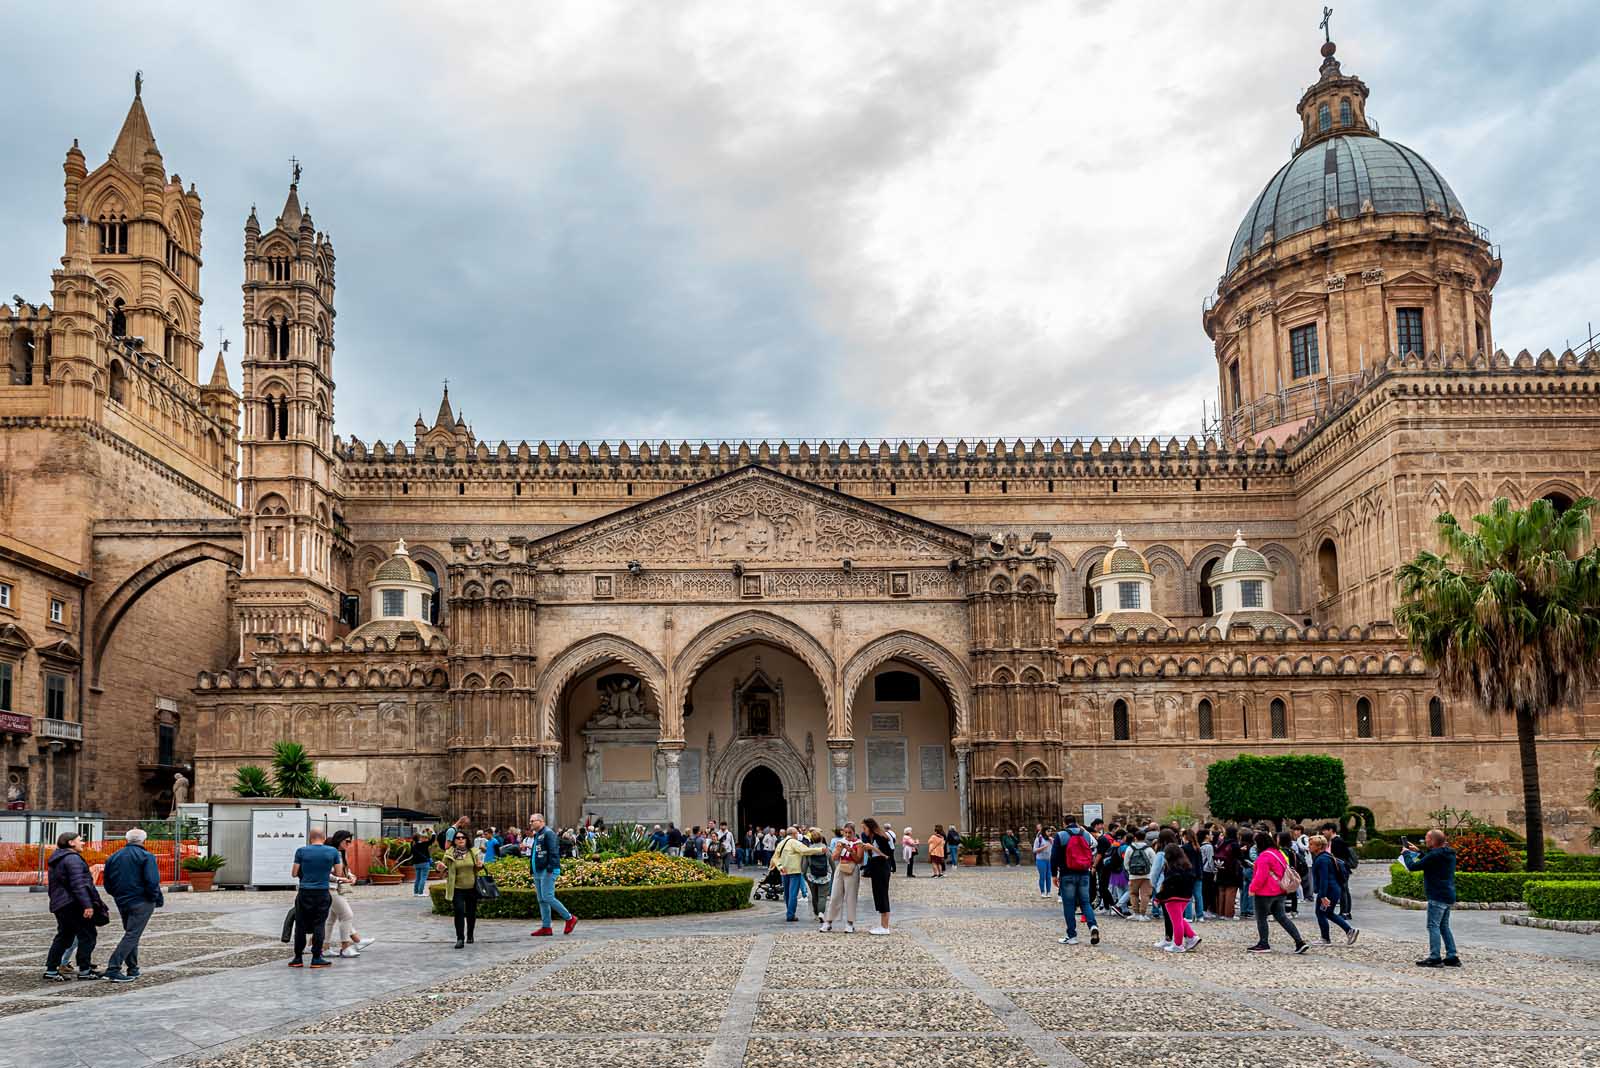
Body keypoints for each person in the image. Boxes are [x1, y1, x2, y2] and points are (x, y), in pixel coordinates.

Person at [102, 828, 164, 982]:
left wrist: (117, 895)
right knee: (132, 934)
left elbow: (107, 882)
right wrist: (154, 897)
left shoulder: (113, 857)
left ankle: (133, 968)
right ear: (144, 841)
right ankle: (113, 968)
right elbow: (152, 881)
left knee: (131, 933)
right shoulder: (146, 856)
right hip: (141, 900)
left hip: (122, 900)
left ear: (127, 840)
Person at [44, 832, 105, 982]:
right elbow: (78, 884)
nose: (83, 843)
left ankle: (51, 970)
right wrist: (87, 905)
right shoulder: (72, 859)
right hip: (73, 903)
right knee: (88, 935)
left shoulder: (58, 858)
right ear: (71, 843)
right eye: (80, 840)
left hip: (61, 903)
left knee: (64, 936)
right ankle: (84, 970)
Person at [1400, 830, 1459, 967]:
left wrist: (1406, 853)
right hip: (1448, 894)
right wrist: (1419, 852)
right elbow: (1431, 861)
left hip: (1437, 895)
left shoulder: (1435, 855)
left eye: (1427, 839)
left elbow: (1412, 866)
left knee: (1433, 926)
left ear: (1432, 841)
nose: (1425, 841)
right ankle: (1452, 956)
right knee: (1444, 926)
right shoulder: (1447, 852)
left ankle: (1435, 957)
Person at [1246, 829, 1307, 954]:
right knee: (1282, 917)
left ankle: (1264, 943)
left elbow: (1260, 877)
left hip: (1265, 893)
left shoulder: (1264, 856)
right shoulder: (1277, 853)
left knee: (1261, 918)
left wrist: (1252, 889)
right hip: (1280, 891)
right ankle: (1299, 942)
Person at [290, 827, 341, 968]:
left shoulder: (301, 851)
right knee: (319, 924)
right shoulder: (333, 852)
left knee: (300, 925)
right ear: (324, 838)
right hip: (322, 892)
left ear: (310, 838)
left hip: (304, 892)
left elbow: (294, 873)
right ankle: (316, 958)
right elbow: (338, 872)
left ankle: (297, 958)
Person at [323, 831, 375, 959]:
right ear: (339, 840)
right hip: (330, 889)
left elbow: (346, 870)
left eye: (350, 841)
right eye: (347, 841)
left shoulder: (341, 854)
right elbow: (325, 873)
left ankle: (325, 948)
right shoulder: (329, 853)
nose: (349, 844)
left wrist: (351, 877)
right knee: (347, 915)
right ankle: (346, 947)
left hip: (337, 889)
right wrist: (340, 879)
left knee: (331, 920)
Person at [1050, 816, 1100, 946]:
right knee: (1085, 902)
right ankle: (1093, 926)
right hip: (1084, 873)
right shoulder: (1086, 835)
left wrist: (1054, 875)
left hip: (1067, 874)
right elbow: (1094, 847)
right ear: (1076, 823)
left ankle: (1072, 935)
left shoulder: (1060, 835)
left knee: (1069, 904)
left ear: (1064, 823)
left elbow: (1054, 857)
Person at [528, 812, 578, 937]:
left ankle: (569, 918)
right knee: (541, 900)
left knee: (548, 897)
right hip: (538, 870)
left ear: (541, 821)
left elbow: (554, 851)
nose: (530, 823)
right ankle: (546, 927)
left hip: (547, 869)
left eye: (533, 821)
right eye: (530, 821)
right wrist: (532, 868)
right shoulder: (538, 834)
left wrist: (551, 867)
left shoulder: (548, 833)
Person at [1308, 834, 1358, 946]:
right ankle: (1349, 931)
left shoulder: (1321, 860)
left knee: (1320, 913)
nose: (1309, 847)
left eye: (1311, 844)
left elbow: (1324, 879)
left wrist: (1323, 896)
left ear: (1319, 846)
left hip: (1328, 891)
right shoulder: (1327, 856)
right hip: (1334, 889)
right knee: (1329, 913)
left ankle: (1325, 938)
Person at [441, 831, 485, 949]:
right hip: (457, 889)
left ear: (466, 839)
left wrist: (479, 866)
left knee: (471, 913)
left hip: (472, 888)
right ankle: (460, 938)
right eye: (458, 838)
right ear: (454, 841)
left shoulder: (472, 852)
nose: (461, 840)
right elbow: (443, 870)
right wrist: (440, 868)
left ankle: (470, 934)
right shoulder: (449, 854)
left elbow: (477, 868)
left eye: (463, 837)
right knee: (459, 911)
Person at [1155, 844, 1200, 953]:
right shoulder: (1187, 866)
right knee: (1179, 919)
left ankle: (1178, 944)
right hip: (1185, 896)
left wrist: (1158, 897)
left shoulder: (1171, 869)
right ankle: (1191, 937)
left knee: (1176, 921)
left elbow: (1167, 884)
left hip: (1172, 897)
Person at [772, 826, 823, 922]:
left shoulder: (781, 843)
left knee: (787, 893)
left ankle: (789, 912)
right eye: (796, 833)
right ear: (794, 834)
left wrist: (780, 867)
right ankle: (790, 915)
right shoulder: (794, 842)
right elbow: (805, 850)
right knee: (793, 894)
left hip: (784, 871)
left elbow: (775, 857)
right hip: (794, 870)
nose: (797, 835)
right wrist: (819, 850)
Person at [820, 822, 864, 933]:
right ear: (843, 832)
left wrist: (851, 851)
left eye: (850, 832)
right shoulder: (840, 842)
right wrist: (838, 850)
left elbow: (859, 860)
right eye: (846, 832)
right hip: (841, 868)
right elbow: (834, 857)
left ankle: (850, 923)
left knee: (851, 896)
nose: (848, 835)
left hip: (852, 869)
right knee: (835, 895)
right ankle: (828, 922)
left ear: (854, 832)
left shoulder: (858, 843)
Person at [861, 817, 894, 935]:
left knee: (882, 894)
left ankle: (885, 927)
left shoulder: (881, 837)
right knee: (878, 895)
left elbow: (887, 855)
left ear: (870, 827)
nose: (863, 830)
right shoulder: (872, 837)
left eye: (864, 828)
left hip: (882, 868)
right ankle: (882, 925)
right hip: (876, 868)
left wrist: (872, 848)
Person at [1321, 821, 1357, 920]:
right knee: (1344, 890)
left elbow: (1337, 857)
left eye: (1325, 830)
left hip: (1341, 870)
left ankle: (1344, 912)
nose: (1323, 832)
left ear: (1331, 830)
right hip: (1341, 869)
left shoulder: (1337, 842)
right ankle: (1346, 912)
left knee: (1343, 891)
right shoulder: (1335, 841)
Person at [1123, 832, 1155, 920]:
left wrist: (1130, 871)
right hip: (1147, 875)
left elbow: (1126, 862)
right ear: (1144, 838)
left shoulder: (1130, 848)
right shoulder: (1148, 849)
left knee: (1133, 894)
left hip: (1133, 876)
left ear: (1135, 838)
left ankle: (1136, 913)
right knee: (1145, 895)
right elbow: (1154, 861)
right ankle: (1143, 914)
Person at [803, 829, 832, 921]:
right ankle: (821, 912)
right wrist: (833, 874)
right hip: (825, 875)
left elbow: (805, 865)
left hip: (811, 875)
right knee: (822, 896)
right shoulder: (826, 849)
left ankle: (816, 913)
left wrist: (804, 875)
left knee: (814, 895)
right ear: (821, 838)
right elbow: (832, 863)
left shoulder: (809, 850)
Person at [1215, 825, 1243, 920]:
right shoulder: (1234, 844)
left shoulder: (1221, 842)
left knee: (1221, 891)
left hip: (1221, 868)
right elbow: (1239, 857)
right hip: (1232, 870)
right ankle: (1228, 914)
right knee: (1230, 892)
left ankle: (1221, 913)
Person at [409, 829, 434, 896]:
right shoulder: (424, 844)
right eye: (421, 836)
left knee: (417, 878)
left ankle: (416, 892)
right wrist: (432, 831)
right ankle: (421, 892)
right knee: (423, 878)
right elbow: (432, 839)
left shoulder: (413, 844)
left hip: (416, 864)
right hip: (424, 863)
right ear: (420, 838)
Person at [1032, 824, 1053, 898]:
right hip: (1041, 860)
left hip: (1049, 860)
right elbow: (1034, 850)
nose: (1050, 832)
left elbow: (1054, 849)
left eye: (1050, 831)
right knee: (1042, 876)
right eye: (1048, 831)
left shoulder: (1051, 839)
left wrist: (1052, 842)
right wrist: (1042, 848)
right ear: (1044, 831)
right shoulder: (1039, 839)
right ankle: (1042, 892)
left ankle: (1049, 892)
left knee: (1048, 876)